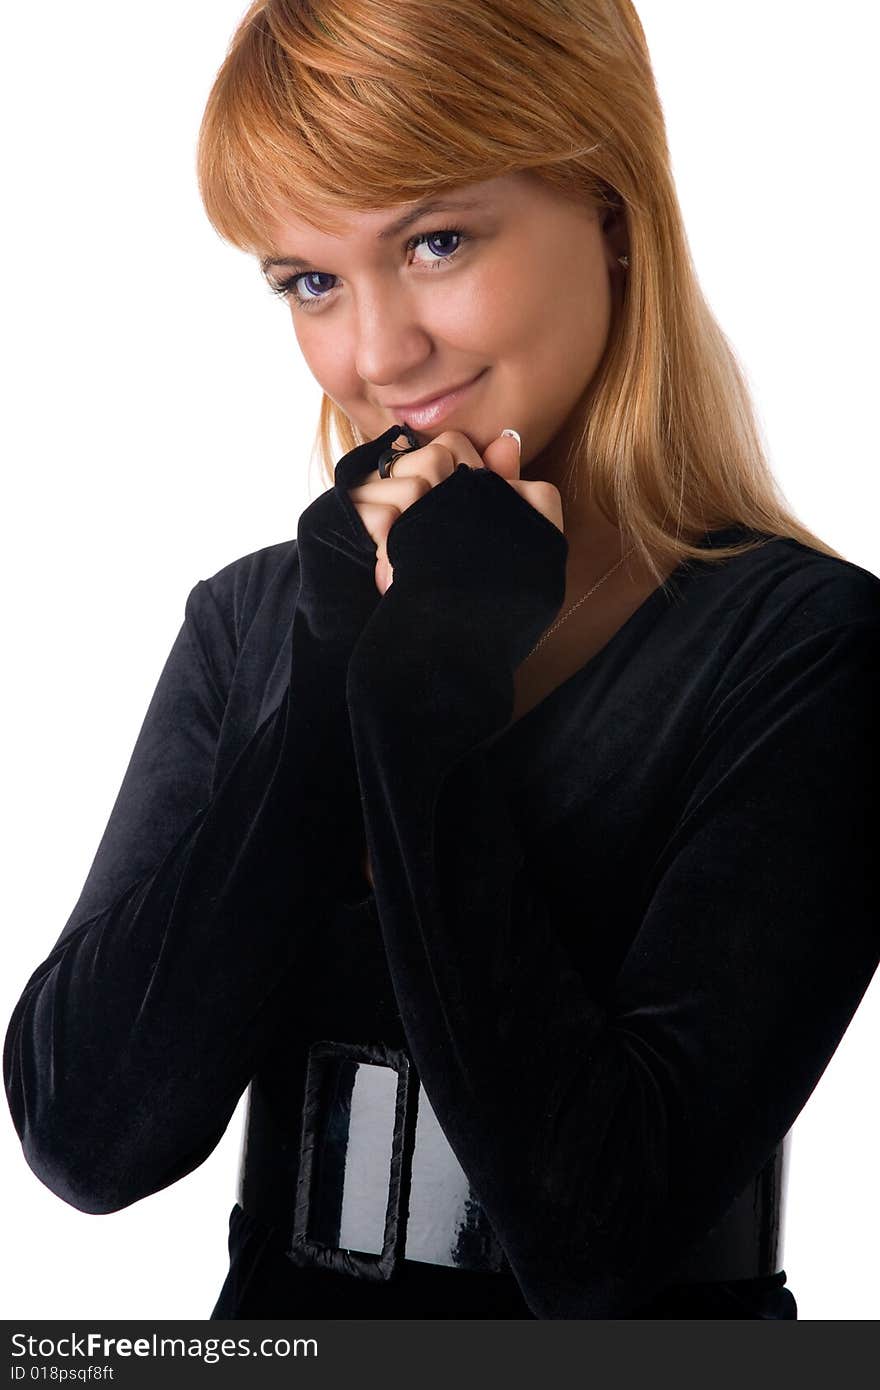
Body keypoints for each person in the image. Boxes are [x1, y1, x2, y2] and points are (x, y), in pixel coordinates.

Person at [4, 0, 879, 1320]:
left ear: (610, 210)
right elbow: (88, 1136)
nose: (374, 352)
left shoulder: (806, 652)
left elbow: (601, 1235)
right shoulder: (257, 625)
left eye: (436, 240)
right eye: (310, 279)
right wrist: (323, 682)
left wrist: (422, 701)